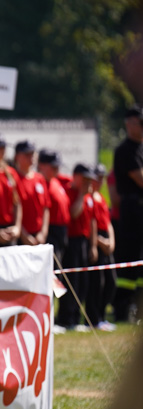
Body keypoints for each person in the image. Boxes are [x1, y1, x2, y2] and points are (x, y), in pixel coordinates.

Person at [55, 164, 98, 331]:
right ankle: (65, 317)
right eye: (85, 179)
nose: (88, 183)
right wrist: (81, 194)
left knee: (83, 282)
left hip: (83, 241)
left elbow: (92, 222)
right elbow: (74, 213)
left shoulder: (89, 196)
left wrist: (92, 245)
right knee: (71, 281)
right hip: (71, 241)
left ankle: (75, 317)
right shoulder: (71, 192)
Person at [112, 105, 143, 323]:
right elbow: (140, 178)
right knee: (130, 260)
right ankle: (122, 309)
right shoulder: (125, 150)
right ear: (129, 124)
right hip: (132, 210)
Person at [87, 164, 117, 332]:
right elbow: (90, 224)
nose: (100, 181)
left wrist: (111, 241)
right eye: (97, 177)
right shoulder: (89, 198)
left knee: (111, 282)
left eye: (102, 178)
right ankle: (93, 318)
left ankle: (102, 315)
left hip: (106, 242)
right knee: (97, 283)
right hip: (97, 242)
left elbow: (108, 223)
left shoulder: (101, 198)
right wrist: (99, 242)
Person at [13, 140, 50, 246]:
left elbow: (46, 207)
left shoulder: (39, 178)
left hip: (39, 235)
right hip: (21, 236)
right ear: (17, 156)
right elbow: (13, 209)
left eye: (32, 154)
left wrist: (43, 233)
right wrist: (24, 235)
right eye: (27, 154)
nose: (31, 157)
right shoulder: (13, 177)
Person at [38, 149, 71, 265]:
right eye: (53, 166)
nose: (57, 169)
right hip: (51, 230)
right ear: (42, 166)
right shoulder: (40, 183)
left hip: (62, 231)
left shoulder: (56, 181)